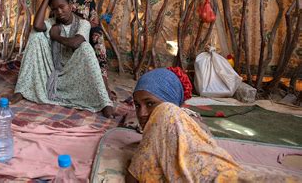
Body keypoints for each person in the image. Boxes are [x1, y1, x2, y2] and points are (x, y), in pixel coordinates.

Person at [126, 68, 294, 183]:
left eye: (150, 104)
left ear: (171, 102)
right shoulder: (174, 128)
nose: (141, 114)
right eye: (137, 105)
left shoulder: (167, 112)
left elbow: (134, 174)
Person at [10, 0, 114, 118]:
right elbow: (37, 25)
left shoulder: (83, 24)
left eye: (62, 7)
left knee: (86, 48)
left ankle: (105, 103)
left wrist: (56, 37)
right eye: (54, 9)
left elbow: (76, 43)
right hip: (51, 72)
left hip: (73, 76)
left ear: (71, 5)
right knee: (36, 35)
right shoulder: (51, 23)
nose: (59, 12)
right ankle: (21, 89)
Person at [63, 0, 116, 101]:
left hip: (84, 31)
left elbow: (94, 22)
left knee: (97, 34)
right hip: (66, 31)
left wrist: (79, 20)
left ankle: (104, 82)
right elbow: (55, 16)